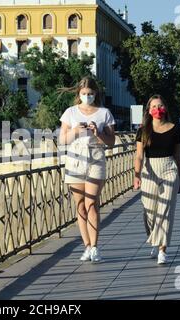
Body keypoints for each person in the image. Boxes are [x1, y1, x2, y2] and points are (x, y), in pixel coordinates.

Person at [59, 77, 116, 263]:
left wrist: (97, 133)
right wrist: (75, 131)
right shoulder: (70, 112)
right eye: (84, 94)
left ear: (96, 93)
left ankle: (95, 247)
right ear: (78, 94)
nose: (87, 97)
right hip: (75, 159)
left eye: (90, 94)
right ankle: (86, 246)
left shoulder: (104, 113)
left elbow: (111, 142)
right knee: (80, 206)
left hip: (95, 158)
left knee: (92, 203)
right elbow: (63, 140)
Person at [134, 94, 180, 265]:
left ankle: (162, 249)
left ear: (166, 109)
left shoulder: (176, 129)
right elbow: (139, 156)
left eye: (160, 106)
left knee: (165, 211)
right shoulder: (143, 131)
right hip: (149, 171)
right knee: (149, 211)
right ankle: (154, 239)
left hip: (169, 169)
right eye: (154, 107)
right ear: (148, 110)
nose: (157, 110)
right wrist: (137, 175)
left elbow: (178, 155)